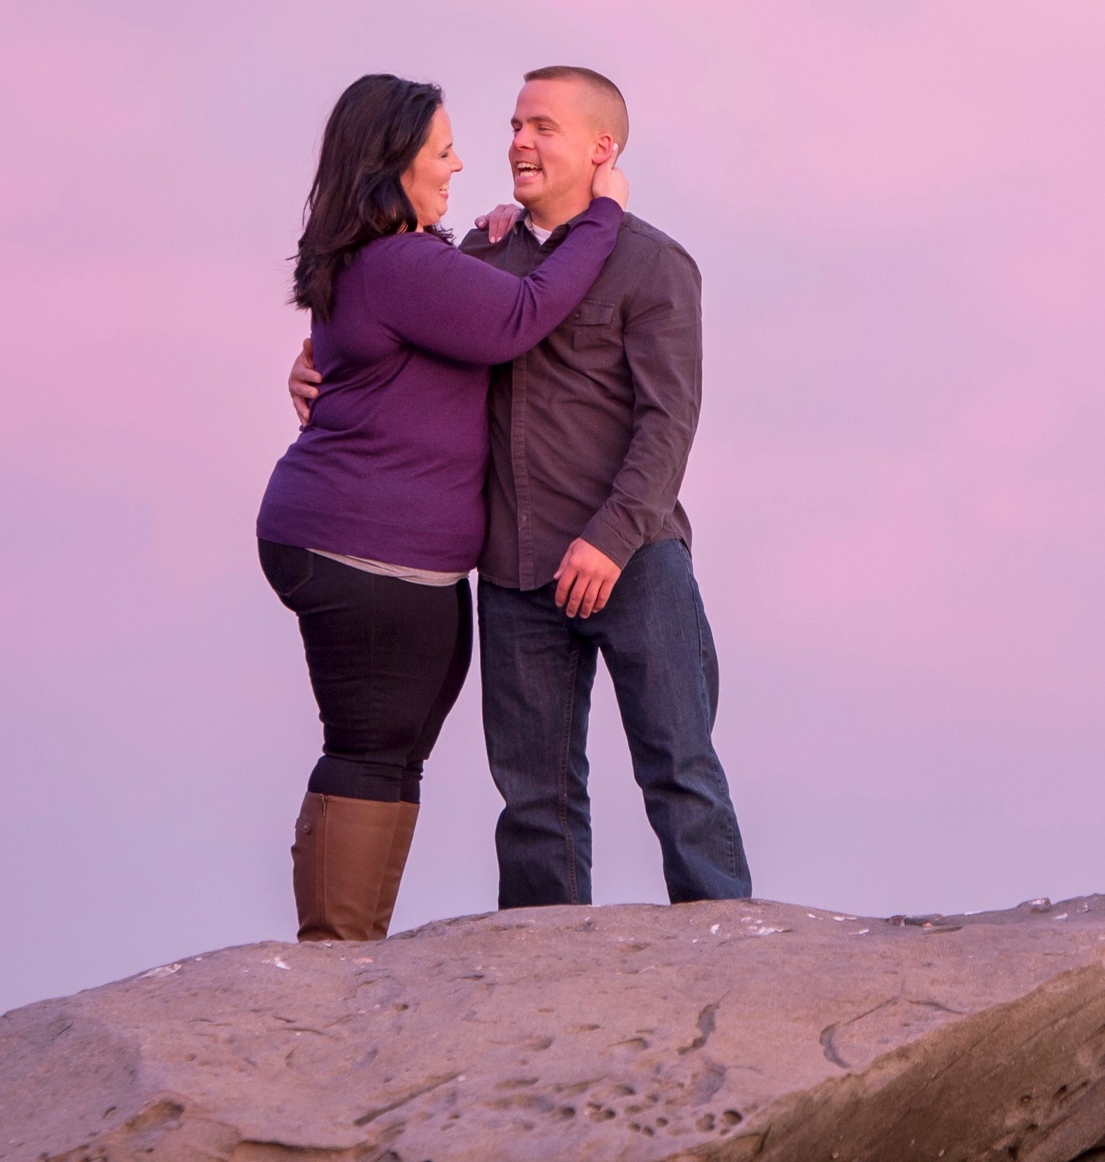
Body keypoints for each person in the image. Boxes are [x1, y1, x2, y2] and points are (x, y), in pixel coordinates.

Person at [292, 67, 752, 910]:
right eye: (512, 123)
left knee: (680, 773)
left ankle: (731, 963)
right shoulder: (477, 250)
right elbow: (383, 323)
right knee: (534, 804)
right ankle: (537, 997)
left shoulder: (653, 262)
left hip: (635, 558)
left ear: (600, 149)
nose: (515, 142)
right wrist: (316, 361)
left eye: (541, 126)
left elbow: (668, 423)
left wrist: (612, 538)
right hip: (511, 568)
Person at [256, 73, 624, 942]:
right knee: (370, 746)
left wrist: (480, 243)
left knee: (385, 749)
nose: (462, 163)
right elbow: (519, 317)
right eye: (443, 150)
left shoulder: (388, 259)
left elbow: (420, 334)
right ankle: (333, 958)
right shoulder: (397, 262)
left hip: (358, 543)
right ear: (394, 166)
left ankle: (349, 952)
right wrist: (601, 215)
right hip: (360, 548)